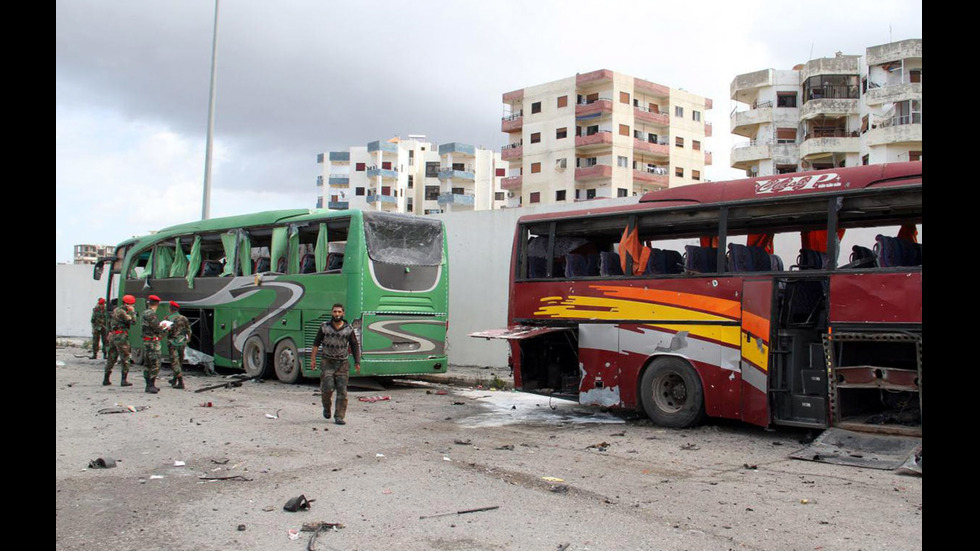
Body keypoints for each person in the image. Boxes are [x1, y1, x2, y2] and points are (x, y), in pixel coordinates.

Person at [310, 303, 361, 425]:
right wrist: (313, 360)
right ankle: (326, 407)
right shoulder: (324, 327)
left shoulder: (348, 329)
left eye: (339, 312)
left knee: (342, 391)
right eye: (335, 312)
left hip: (342, 363)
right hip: (327, 362)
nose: (337, 314)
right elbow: (316, 343)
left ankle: (339, 416)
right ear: (331, 313)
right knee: (327, 388)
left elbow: (354, 345)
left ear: (343, 313)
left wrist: (357, 361)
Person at [103, 295, 137, 387]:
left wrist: (110, 332)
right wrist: (132, 312)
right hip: (121, 336)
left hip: (114, 335)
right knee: (125, 358)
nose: (133, 306)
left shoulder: (116, 310)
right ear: (127, 304)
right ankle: (123, 380)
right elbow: (133, 321)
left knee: (111, 357)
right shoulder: (123, 312)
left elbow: (111, 322)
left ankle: (106, 379)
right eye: (131, 305)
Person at [141, 295, 166, 394]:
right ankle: (151, 385)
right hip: (153, 341)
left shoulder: (144, 313)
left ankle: (149, 385)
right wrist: (164, 327)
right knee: (155, 364)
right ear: (157, 304)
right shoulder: (152, 314)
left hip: (146, 341)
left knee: (147, 364)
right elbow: (157, 328)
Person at [165, 301, 192, 389]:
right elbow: (188, 330)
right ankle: (174, 379)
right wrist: (188, 339)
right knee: (179, 360)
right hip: (182, 342)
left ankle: (180, 382)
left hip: (172, 342)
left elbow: (164, 330)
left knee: (174, 361)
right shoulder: (184, 318)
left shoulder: (168, 318)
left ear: (170, 309)